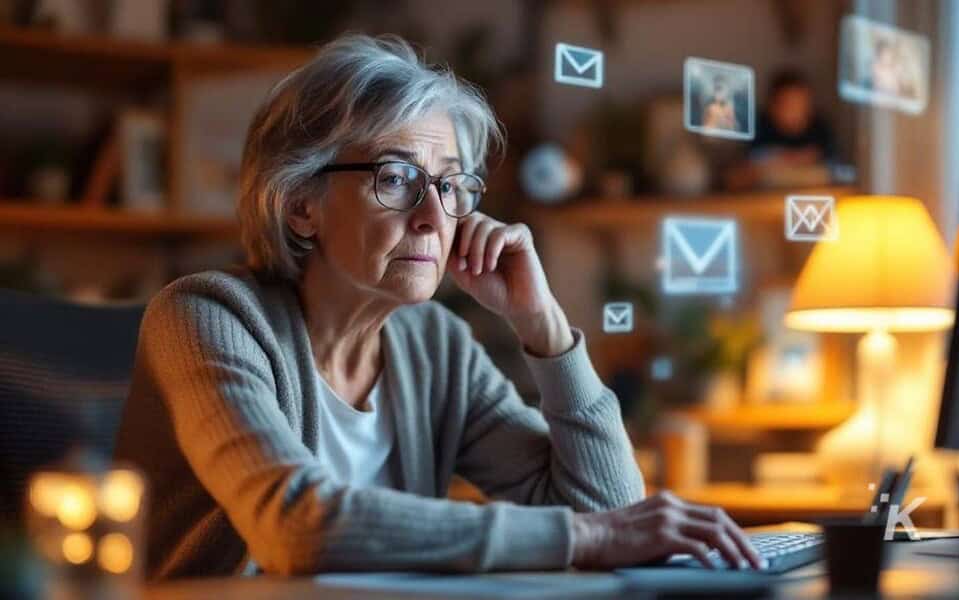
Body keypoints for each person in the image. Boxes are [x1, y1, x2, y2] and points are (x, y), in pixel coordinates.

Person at [114, 33, 763, 579]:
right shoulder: (205, 319)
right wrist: (585, 538)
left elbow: (606, 505)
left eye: (452, 185)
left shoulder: (435, 345)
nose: (434, 217)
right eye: (395, 179)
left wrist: (543, 327)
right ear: (301, 205)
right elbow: (295, 525)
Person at [725, 69, 836, 190]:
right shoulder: (759, 128)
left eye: (800, 104)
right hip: (765, 200)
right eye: (788, 104)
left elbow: (834, 172)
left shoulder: (819, 130)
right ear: (772, 105)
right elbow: (735, 177)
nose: (795, 112)